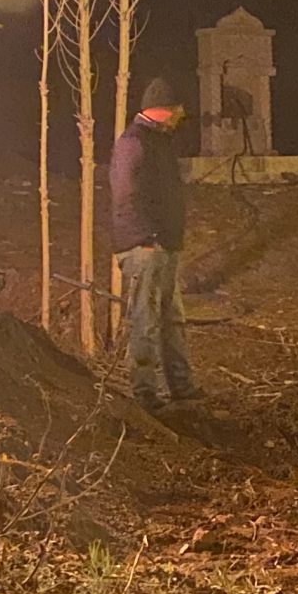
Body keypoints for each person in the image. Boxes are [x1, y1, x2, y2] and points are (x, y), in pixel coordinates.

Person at [110, 76, 197, 411]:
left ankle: (181, 386)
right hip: (146, 247)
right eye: (178, 109)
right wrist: (146, 239)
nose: (182, 116)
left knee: (171, 318)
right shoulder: (135, 143)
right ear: (163, 110)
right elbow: (127, 196)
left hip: (162, 245)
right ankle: (145, 392)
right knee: (145, 320)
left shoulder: (156, 140)